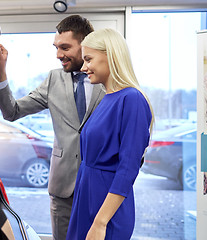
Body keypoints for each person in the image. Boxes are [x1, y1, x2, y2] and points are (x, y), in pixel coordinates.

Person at [0, 15, 105, 240]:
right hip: (63, 187)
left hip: (99, 187)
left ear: (85, 45)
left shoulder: (106, 78)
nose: (58, 55)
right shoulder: (53, 80)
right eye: (56, 47)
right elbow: (12, 111)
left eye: (65, 47)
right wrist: (1, 71)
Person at [66, 28, 154, 240]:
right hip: (86, 197)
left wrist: (100, 222)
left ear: (110, 56)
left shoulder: (131, 99)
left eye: (89, 59)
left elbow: (128, 168)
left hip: (106, 208)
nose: (84, 67)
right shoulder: (107, 98)